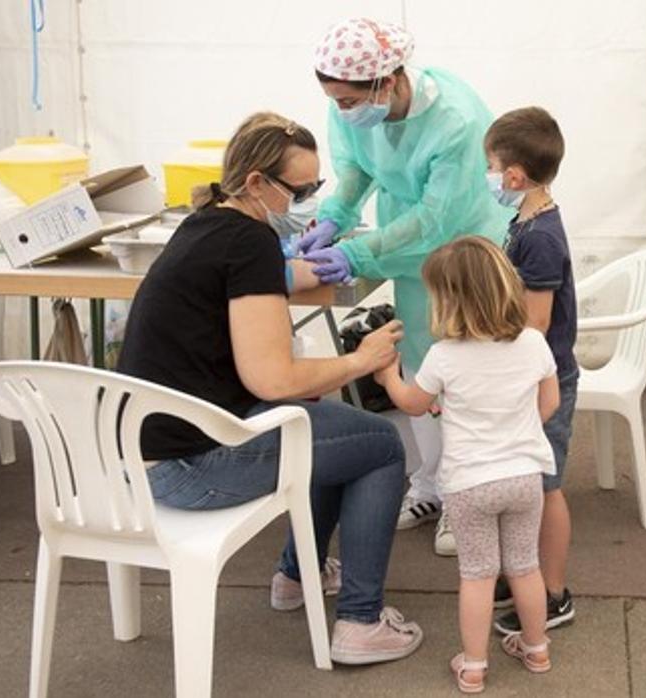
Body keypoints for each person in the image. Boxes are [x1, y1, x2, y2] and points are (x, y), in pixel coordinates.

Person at [117, 112, 423, 664]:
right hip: (189, 467)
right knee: (378, 445)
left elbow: (272, 278)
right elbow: (273, 379)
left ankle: (296, 577)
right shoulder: (251, 242)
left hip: (139, 453)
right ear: (256, 183)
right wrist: (361, 359)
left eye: (316, 188)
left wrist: (328, 264)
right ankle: (359, 622)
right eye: (300, 191)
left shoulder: (206, 225)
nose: (307, 203)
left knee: (327, 432)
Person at [301, 18, 512, 555]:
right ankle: (429, 484)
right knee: (422, 360)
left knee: (465, 367)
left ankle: (463, 493)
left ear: (388, 82)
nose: (343, 111)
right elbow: (354, 168)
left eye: (349, 101)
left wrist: (357, 250)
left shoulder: (454, 121)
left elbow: (437, 218)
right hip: (408, 236)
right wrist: (334, 215)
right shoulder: (350, 103)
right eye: (335, 101)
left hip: (465, 242)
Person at [375, 236, 559, 694]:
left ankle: (474, 665)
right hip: (524, 476)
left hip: (470, 484)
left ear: (448, 301)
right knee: (524, 566)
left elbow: (414, 405)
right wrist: (509, 431)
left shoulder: (443, 356)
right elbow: (549, 403)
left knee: (477, 574)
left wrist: (387, 377)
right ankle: (536, 649)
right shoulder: (533, 343)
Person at [474, 107, 580, 635]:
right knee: (531, 482)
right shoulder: (529, 220)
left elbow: (535, 324)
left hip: (545, 380)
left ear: (513, 175)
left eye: (490, 168)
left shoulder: (538, 235)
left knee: (545, 485)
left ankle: (554, 593)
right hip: (534, 376)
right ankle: (524, 575)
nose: (489, 178)